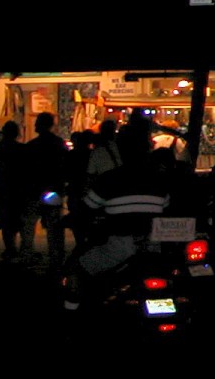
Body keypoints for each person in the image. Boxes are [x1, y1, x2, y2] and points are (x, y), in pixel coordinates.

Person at [64, 118, 171, 309]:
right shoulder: (160, 181)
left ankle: (72, 318)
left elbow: (85, 209)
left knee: (76, 270)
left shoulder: (109, 181)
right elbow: (166, 209)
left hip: (119, 250)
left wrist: (71, 219)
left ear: (122, 150)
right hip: (152, 249)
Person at [20, 113, 72, 267]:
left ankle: (27, 255)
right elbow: (65, 167)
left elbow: (24, 171)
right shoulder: (58, 144)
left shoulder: (31, 146)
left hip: (34, 190)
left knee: (29, 226)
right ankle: (56, 257)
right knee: (53, 225)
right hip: (53, 190)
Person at [0, 120, 23, 257]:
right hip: (18, 189)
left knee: (5, 221)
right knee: (16, 218)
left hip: (2, 188)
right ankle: (14, 246)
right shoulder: (22, 149)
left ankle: (10, 247)